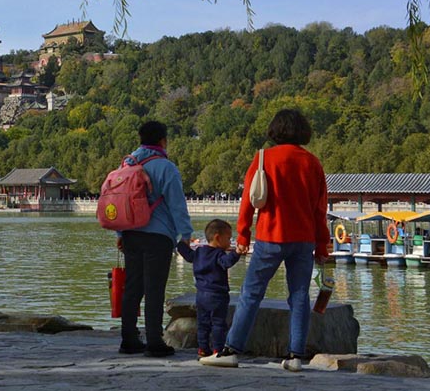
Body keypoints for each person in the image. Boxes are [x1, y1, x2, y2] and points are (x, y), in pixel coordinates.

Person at [201, 109, 329, 372]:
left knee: (251, 294)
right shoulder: (313, 163)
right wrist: (322, 243)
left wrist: (244, 235)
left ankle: (231, 350)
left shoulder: (263, 159)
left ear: (275, 130)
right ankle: (295, 356)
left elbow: (248, 201)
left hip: (271, 235)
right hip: (304, 239)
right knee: (300, 296)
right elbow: (320, 209)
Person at [117, 120, 194, 357]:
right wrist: (186, 234)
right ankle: (154, 341)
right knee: (154, 289)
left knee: (132, 289)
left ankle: (128, 340)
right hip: (157, 236)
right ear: (163, 140)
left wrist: (120, 233)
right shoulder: (165, 167)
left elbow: (119, 200)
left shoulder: (127, 163)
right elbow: (176, 204)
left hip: (130, 233)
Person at [176, 219, 240, 359]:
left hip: (201, 295)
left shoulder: (199, 252)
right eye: (228, 238)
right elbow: (227, 263)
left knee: (203, 323)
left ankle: (203, 349)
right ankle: (218, 349)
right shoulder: (219, 254)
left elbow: (187, 254)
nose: (230, 242)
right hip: (218, 295)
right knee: (218, 323)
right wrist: (237, 252)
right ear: (218, 237)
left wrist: (181, 243)